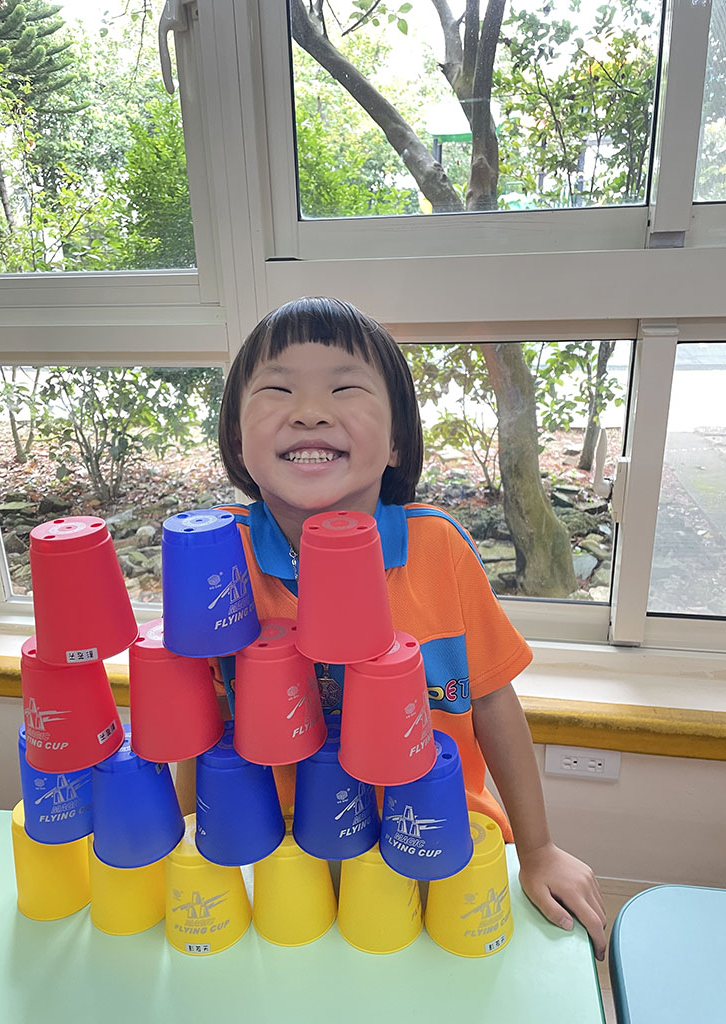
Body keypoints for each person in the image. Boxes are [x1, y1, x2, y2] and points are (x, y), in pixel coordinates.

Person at [177, 295, 607, 959]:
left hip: (439, 842)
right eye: (278, 389)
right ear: (237, 438)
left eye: (345, 388)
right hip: (279, 857)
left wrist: (539, 848)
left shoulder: (439, 549)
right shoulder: (215, 560)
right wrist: (185, 836)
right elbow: (195, 721)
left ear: (398, 439)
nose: (310, 411)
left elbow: (492, 702)